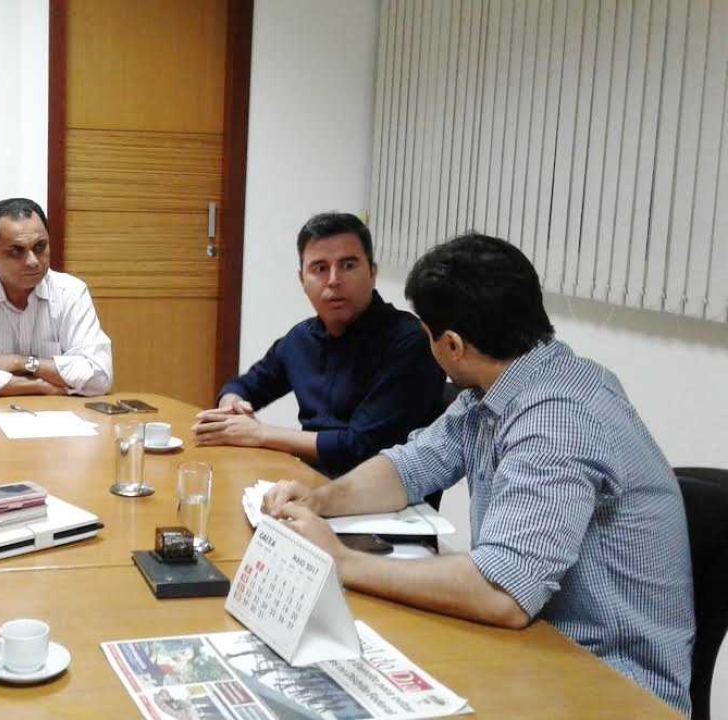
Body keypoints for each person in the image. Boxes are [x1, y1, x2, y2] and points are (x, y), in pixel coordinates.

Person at [263, 234, 694, 714]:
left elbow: (503, 593)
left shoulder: (557, 419)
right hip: (533, 649)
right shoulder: (495, 388)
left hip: (609, 686)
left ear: (452, 345)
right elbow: (408, 467)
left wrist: (343, 561)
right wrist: (320, 500)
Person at [194, 212, 443, 477]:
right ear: (302, 279)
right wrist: (232, 405)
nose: (334, 280)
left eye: (348, 265)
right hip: (310, 481)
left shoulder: (410, 341)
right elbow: (245, 385)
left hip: (381, 493)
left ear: (372, 272)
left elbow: (361, 447)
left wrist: (259, 434)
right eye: (320, 268)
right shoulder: (300, 339)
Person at [0, 197, 113, 397]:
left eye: (40, 246)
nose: (33, 261)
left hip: (56, 412)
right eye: (16, 251)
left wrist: (20, 362)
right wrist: (37, 386)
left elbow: (99, 377)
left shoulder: (70, 292)